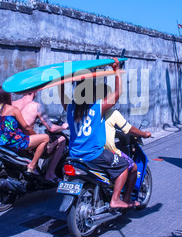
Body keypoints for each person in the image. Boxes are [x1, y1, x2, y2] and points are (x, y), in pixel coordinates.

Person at [60, 58, 135, 209]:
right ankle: (115, 199)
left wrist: (63, 74)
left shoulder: (69, 108)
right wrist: (117, 70)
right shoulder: (98, 107)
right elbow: (118, 93)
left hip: (74, 155)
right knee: (125, 165)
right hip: (95, 155)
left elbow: (62, 93)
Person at [100, 84, 152, 205]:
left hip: (87, 150)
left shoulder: (89, 111)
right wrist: (144, 134)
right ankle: (126, 199)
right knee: (132, 167)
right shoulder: (112, 113)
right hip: (105, 152)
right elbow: (129, 129)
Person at [0, 86, 49, 174]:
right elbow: (26, 127)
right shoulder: (13, 110)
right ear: (7, 96)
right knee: (46, 138)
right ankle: (32, 165)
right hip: (15, 143)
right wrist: (34, 135)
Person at [12, 90, 69, 182]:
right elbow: (51, 128)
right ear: (34, 91)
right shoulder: (36, 106)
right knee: (62, 139)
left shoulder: (13, 104)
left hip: (13, 139)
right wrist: (63, 127)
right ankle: (50, 173)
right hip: (26, 142)